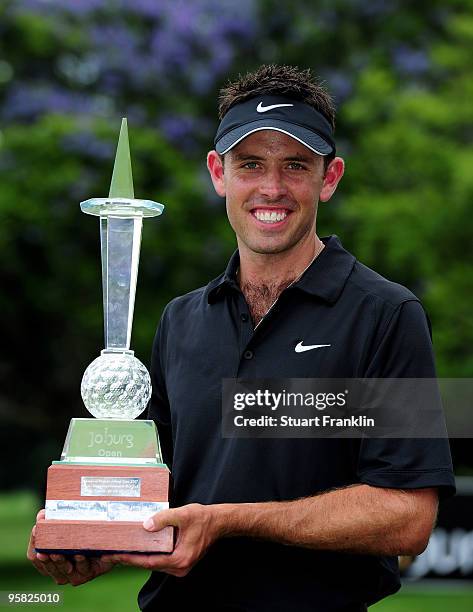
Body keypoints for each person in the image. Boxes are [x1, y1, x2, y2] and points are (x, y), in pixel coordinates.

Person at [28, 64, 455, 611]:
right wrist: (91, 535)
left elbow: (408, 518)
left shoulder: (387, 314)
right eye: (250, 164)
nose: (271, 188)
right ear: (218, 173)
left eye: (294, 165)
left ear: (330, 177)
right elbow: (151, 490)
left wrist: (226, 523)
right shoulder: (182, 319)